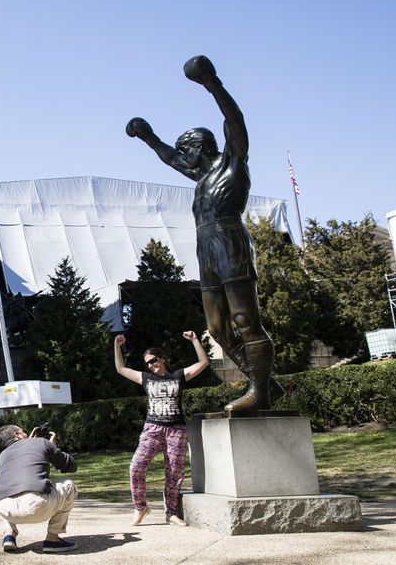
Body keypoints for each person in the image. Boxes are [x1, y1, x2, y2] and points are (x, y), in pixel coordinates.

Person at [126, 55, 281, 411]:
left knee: (244, 320)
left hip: (229, 240)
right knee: (218, 328)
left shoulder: (233, 162)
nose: (181, 156)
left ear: (200, 148)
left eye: (186, 150)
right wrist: (148, 136)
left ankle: (259, 392)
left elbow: (235, 120)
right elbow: (169, 158)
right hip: (206, 246)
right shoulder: (200, 178)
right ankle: (266, 384)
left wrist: (211, 82)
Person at [114, 331, 209, 526]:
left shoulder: (178, 376)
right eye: (147, 363)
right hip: (153, 429)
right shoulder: (146, 378)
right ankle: (140, 507)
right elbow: (121, 368)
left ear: (163, 358)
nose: (150, 365)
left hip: (176, 430)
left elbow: (203, 363)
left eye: (153, 360)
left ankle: (171, 514)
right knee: (136, 467)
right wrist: (117, 347)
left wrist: (194, 340)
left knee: (175, 472)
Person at [0, 424, 78, 553]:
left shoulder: (2, 456)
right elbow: (70, 466)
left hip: (6, 510)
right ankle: (52, 539)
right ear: (17, 434)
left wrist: (33, 443)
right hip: (36, 507)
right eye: (23, 431)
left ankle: (9, 534)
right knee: (69, 485)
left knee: (7, 490)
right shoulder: (41, 443)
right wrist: (52, 447)